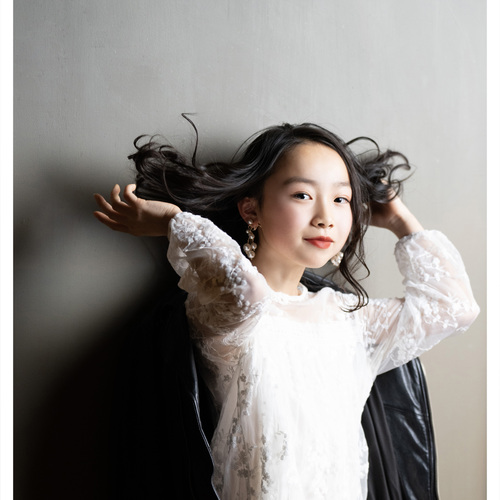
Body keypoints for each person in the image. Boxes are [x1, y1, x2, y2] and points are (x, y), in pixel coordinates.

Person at [94, 121, 479, 499]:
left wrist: (398, 219)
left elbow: (454, 307)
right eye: (302, 195)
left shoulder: (351, 319)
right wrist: (174, 222)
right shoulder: (233, 311)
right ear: (251, 209)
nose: (326, 216)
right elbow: (247, 291)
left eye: (341, 199)